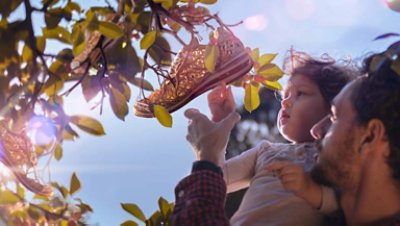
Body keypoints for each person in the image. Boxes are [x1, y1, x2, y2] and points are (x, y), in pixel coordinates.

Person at [171, 47, 400, 226]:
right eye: (284, 96)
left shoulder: (333, 168)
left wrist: (207, 155)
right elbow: (218, 181)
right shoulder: (266, 151)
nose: (318, 130)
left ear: (370, 137)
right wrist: (216, 145)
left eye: (334, 116)